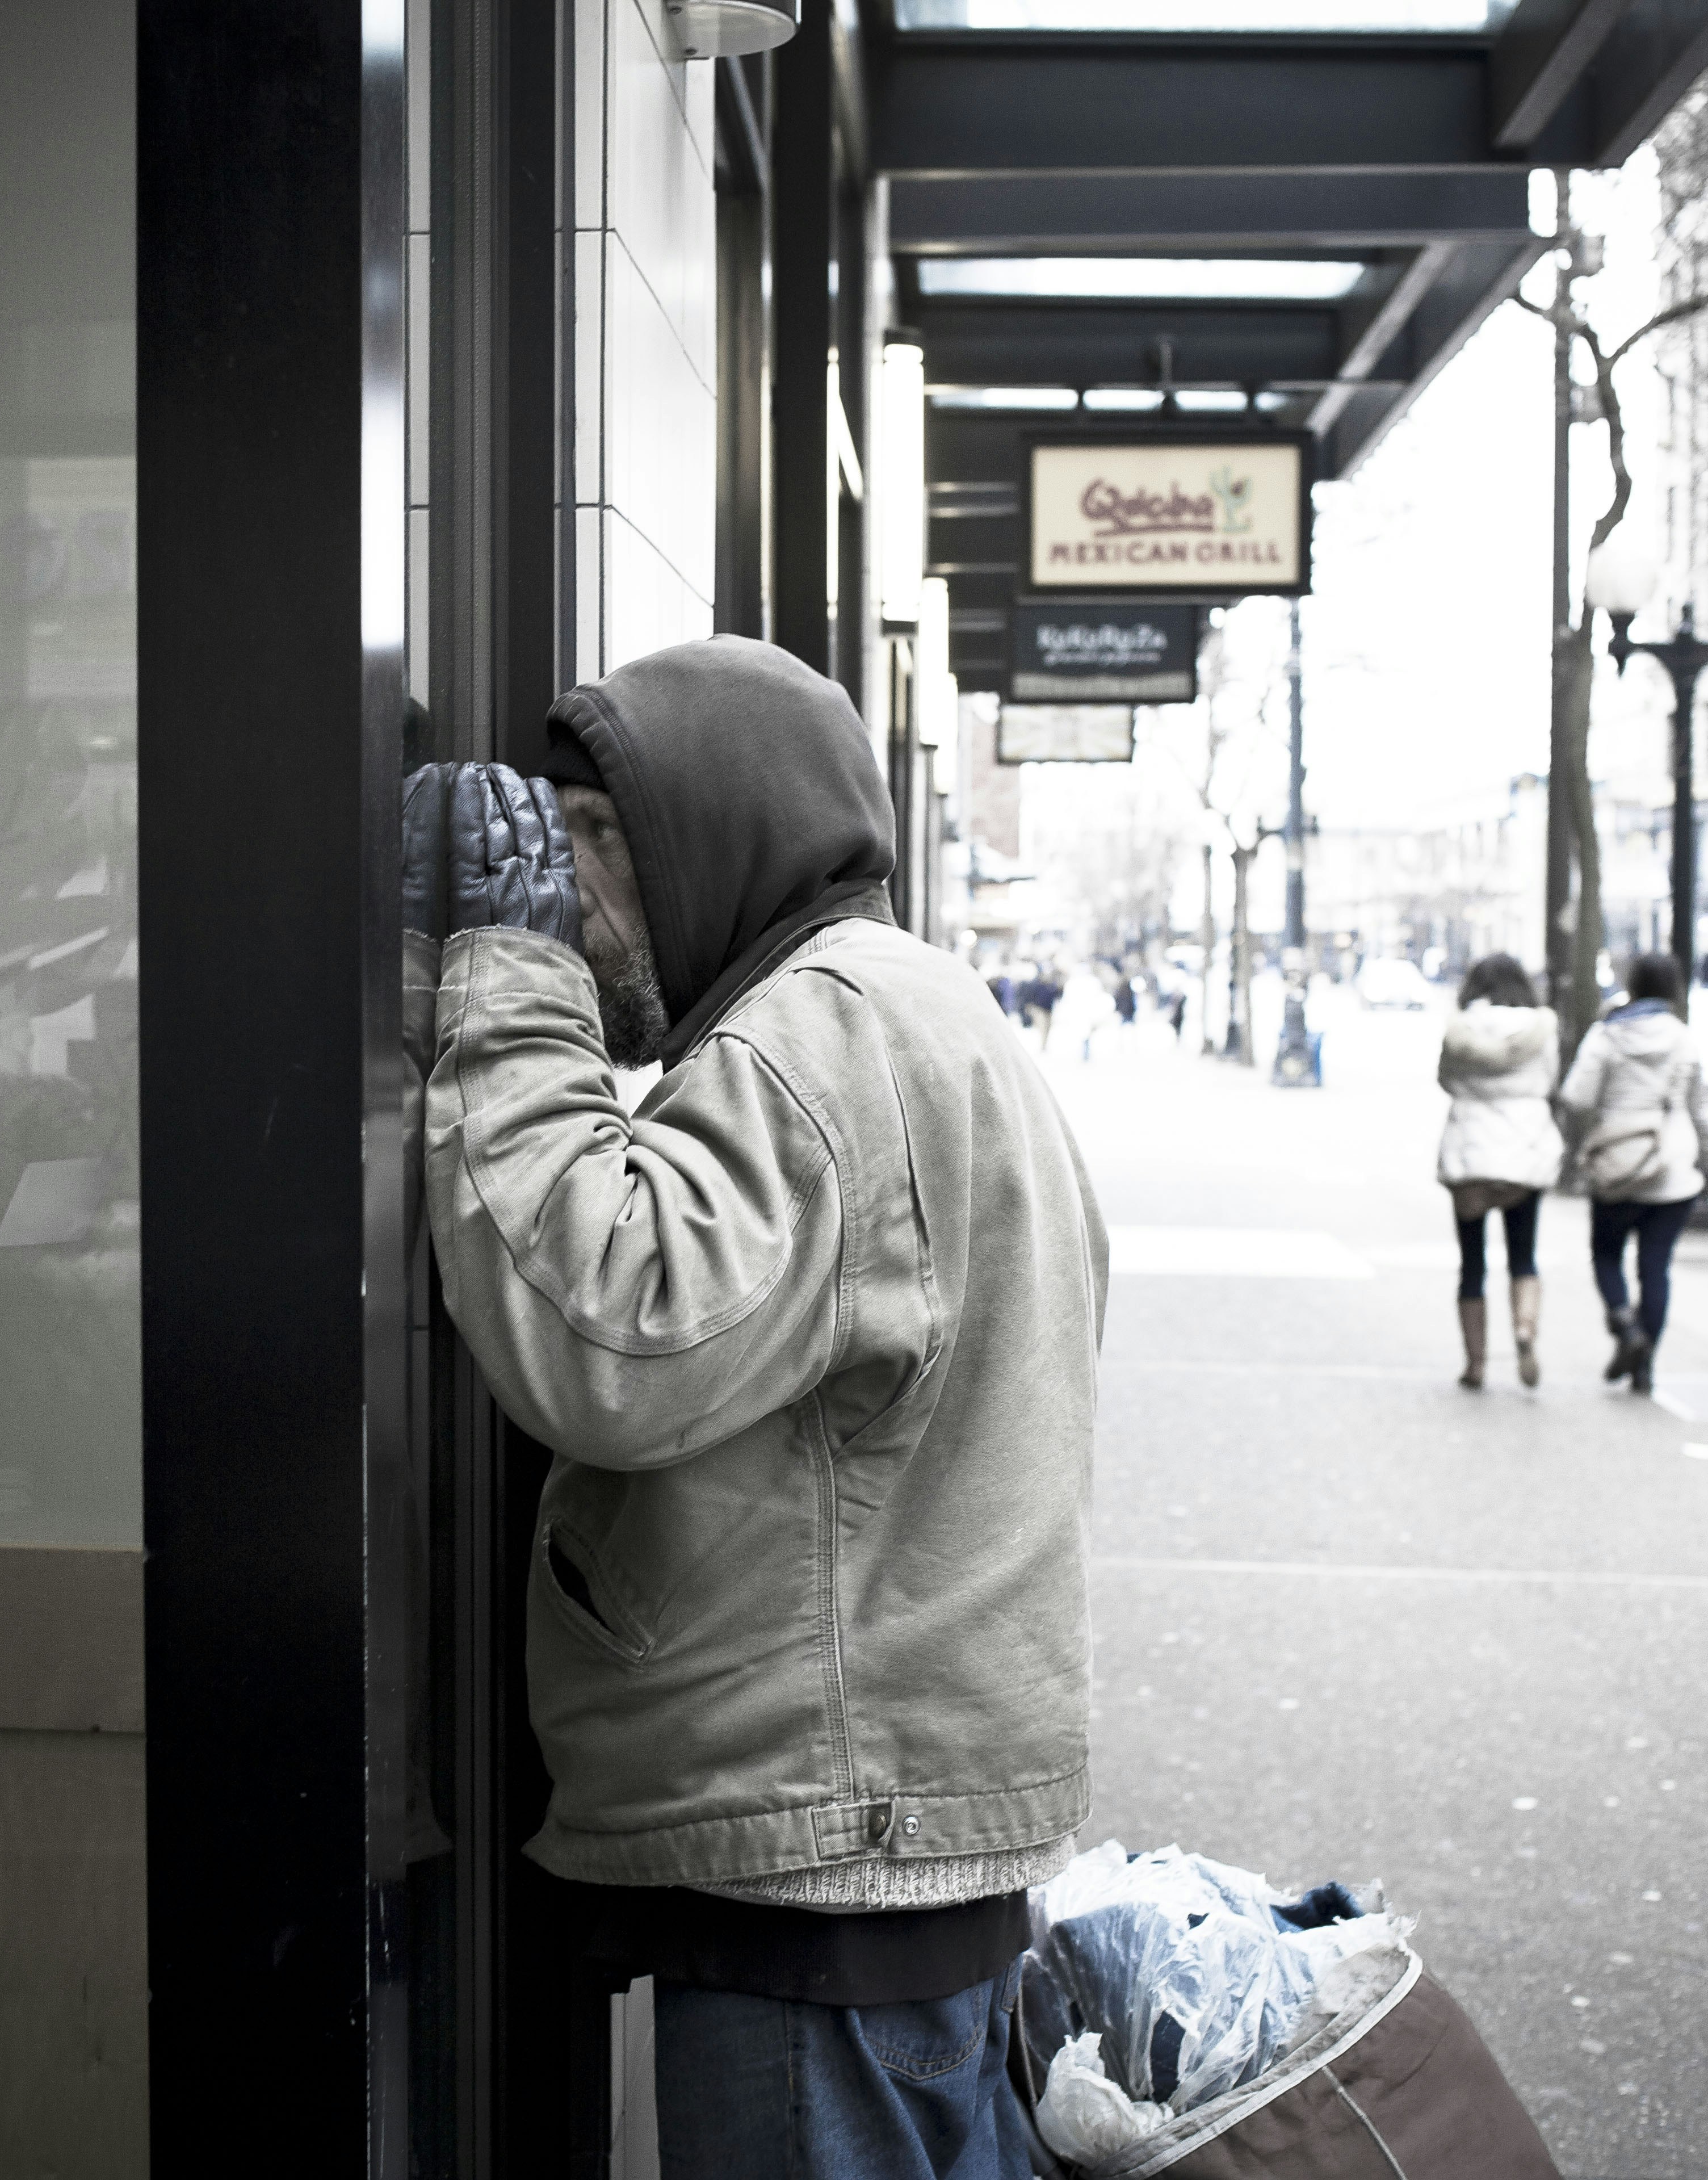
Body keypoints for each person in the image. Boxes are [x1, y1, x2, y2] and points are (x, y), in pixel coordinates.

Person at [404, 635, 1106, 2177]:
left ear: (716, 832)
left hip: (828, 1891)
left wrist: (506, 987)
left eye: (597, 836)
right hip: (892, 1859)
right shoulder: (916, 1009)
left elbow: (610, 1334)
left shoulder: (825, 1035)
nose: (565, 890)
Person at [1555, 951, 1708, 1397]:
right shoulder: (1682, 1039)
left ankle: (1626, 1328)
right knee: (1656, 1268)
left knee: (1607, 1255)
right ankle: (1644, 1366)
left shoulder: (1607, 1035)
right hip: (1672, 1168)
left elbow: (1576, 1096)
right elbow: (1701, 1110)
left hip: (1617, 1166)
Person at [1435, 954, 1563, 1390]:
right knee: (1523, 1255)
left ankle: (1476, 1364)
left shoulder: (1462, 1029)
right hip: (1525, 1149)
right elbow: (1551, 1081)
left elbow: (1446, 1081)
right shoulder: (1540, 1030)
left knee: (1472, 1264)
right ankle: (1525, 1330)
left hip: (1471, 1151)